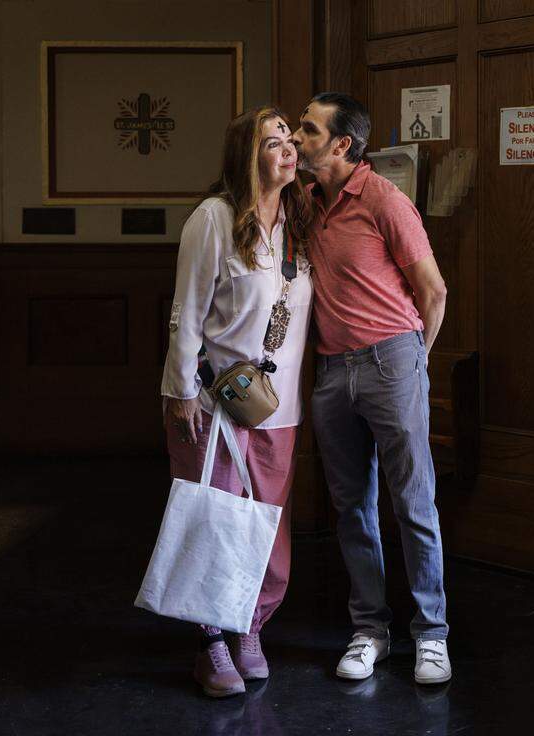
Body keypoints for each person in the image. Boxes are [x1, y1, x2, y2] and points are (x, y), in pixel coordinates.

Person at [291, 92, 452, 685]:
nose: (298, 137)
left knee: (413, 503)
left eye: (307, 129)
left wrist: (414, 362)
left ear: (341, 144)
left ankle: (432, 634)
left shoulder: (386, 199)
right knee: (352, 508)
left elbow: (433, 292)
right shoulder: (306, 203)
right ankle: (370, 631)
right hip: (332, 371)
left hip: (393, 363)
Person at [161, 106, 313, 697]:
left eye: (290, 140)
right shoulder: (214, 219)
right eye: (274, 141)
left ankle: (251, 627)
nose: (288, 149)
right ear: (246, 156)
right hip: (215, 402)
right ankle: (212, 644)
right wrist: (181, 392)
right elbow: (186, 312)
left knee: (268, 530)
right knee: (216, 524)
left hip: (278, 405)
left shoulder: (299, 220)